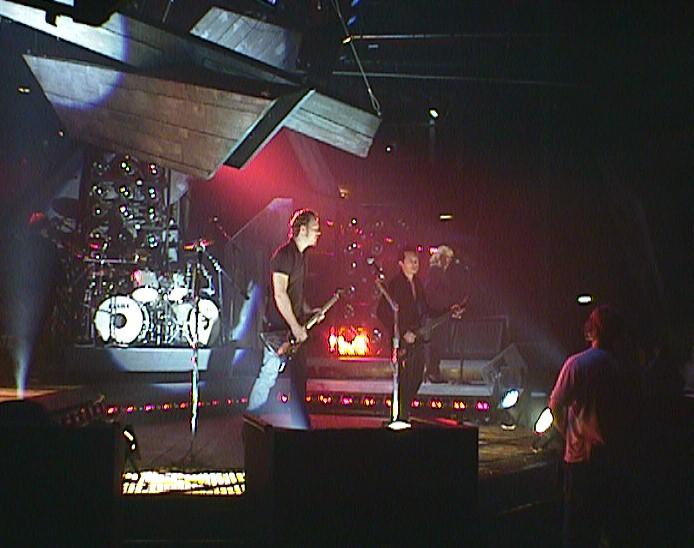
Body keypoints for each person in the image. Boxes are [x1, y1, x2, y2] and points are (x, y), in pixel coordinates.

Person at [549, 305, 634, 548]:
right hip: (614, 460)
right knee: (610, 531)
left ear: (593, 329)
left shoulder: (577, 364)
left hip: (581, 461)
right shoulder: (623, 368)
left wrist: (566, 433)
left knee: (578, 533)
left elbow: (555, 405)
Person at [246, 209, 321, 428]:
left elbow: (296, 294)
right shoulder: (284, 255)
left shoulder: (302, 257)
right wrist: (295, 327)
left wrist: (310, 312)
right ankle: (251, 421)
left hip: (293, 328)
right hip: (279, 329)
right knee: (269, 374)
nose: (318, 233)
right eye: (315, 229)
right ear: (302, 229)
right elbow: (280, 294)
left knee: (298, 378)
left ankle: (301, 424)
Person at [377, 246, 431, 420]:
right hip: (402, 341)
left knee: (417, 376)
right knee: (404, 378)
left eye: (417, 261)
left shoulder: (418, 284)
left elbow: (426, 309)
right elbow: (382, 312)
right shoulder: (395, 285)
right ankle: (400, 415)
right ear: (401, 263)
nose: (415, 264)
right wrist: (401, 332)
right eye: (411, 261)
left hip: (418, 338)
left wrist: (448, 311)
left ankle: (405, 411)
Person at [424, 245, 458, 382]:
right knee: (435, 344)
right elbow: (430, 292)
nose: (449, 261)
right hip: (435, 313)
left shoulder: (440, 272)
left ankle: (434, 371)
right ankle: (432, 373)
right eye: (447, 257)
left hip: (440, 312)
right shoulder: (435, 271)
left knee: (438, 345)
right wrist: (441, 306)